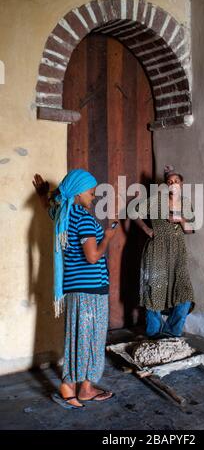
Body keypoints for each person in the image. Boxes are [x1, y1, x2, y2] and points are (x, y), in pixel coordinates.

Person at [32, 170, 117, 409]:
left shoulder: (62, 214)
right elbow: (92, 257)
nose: (94, 195)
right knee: (91, 339)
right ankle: (74, 387)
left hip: (75, 289)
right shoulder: (84, 219)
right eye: (91, 191)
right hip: (91, 289)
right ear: (78, 192)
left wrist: (42, 194)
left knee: (79, 337)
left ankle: (79, 387)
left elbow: (47, 206)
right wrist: (108, 236)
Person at [134, 165, 195, 339]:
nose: (173, 184)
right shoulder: (156, 201)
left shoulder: (185, 203)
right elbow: (133, 213)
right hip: (157, 249)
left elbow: (190, 230)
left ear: (181, 184)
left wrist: (180, 218)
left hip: (177, 251)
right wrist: (147, 229)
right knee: (154, 290)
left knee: (184, 291)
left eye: (176, 181)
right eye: (170, 181)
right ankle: (154, 334)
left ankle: (171, 333)